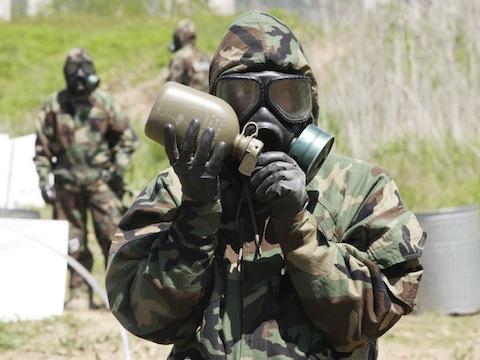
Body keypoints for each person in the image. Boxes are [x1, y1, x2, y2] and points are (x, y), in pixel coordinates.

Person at [106, 11, 426, 359]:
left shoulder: (361, 189)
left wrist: (297, 224)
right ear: (214, 104)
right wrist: (197, 213)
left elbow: (368, 319)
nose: (264, 116)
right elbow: (143, 317)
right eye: (240, 97)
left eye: (287, 98)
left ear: (310, 107)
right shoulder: (176, 190)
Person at [34, 47, 138, 310]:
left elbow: (128, 139)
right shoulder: (54, 104)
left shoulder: (104, 102)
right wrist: (44, 179)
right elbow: (42, 148)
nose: (78, 75)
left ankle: (114, 295)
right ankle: (79, 293)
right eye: (72, 69)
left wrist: (115, 171)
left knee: (113, 238)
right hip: (66, 186)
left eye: (83, 68)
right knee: (72, 241)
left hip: (101, 183)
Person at [166, 19, 210, 92]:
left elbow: (172, 88)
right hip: (207, 101)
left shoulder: (180, 57)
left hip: (188, 102)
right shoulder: (203, 55)